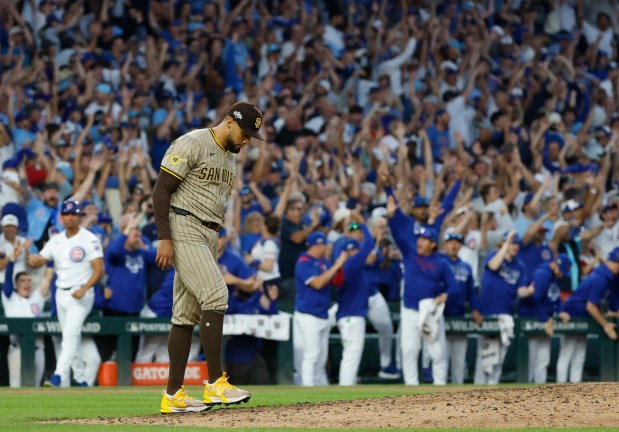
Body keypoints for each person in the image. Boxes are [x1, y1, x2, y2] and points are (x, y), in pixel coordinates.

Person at [152, 101, 264, 413]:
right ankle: (216, 383)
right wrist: (164, 237)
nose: (246, 141)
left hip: (209, 233)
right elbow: (161, 190)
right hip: (184, 224)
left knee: (184, 316)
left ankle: (173, 395)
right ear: (230, 121)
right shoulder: (193, 142)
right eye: (244, 133)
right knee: (216, 296)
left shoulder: (230, 158)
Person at [27, 199, 104, 387]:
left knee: (69, 335)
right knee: (71, 336)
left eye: (73, 214)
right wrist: (32, 260)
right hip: (60, 293)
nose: (70, 217)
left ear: (79, 216)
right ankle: (80, 378)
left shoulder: (89, 238)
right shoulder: (56, 240)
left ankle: (58, 375)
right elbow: (40, 260)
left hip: (81, 294)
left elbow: (99, 269)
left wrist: (84, 289)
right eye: (67, 214)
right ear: (61, 217)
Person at [386, 195, 457, 386]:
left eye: (425, 239)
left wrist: (445, 295)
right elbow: (398, 236)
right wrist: (392, 217)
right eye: (420, 239)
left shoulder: (441, 262)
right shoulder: (410, 253)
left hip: (432, 310)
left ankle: (440, 387)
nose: (420, 242)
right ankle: (411, 389)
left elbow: (454, 286)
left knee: (438, 353)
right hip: (410, 309)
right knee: (409, 351)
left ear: (433, 243)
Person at [474, 231, 531, 385]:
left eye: (516, 243)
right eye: (512, 243)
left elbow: (520, 290)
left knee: (499, 358)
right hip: (488, 313)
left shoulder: (520, 266)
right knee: (485, 356)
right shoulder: (494, 255)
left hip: (506, 315)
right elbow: (493, 266)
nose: (515, 246)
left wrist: (527, 292)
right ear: (504, 243)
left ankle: (492, 391)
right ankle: (476, 392)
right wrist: (505, 245)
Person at [555, 247, 619, 383]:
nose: (617, 265)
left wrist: (608, 314)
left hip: (583, 314)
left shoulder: (608, 277)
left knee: (580, 354)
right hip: (572, 314)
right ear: (608, 262)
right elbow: (591, 306)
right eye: (615, 262)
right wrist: (606, 325)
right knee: (568, 352)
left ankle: (576, 388)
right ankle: (560, 389)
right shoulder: (601, 277)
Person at [293, 232, 348, 386]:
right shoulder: (304, 261)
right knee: (312, 355)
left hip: (322, 313)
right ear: (316, 245)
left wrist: (338, 267)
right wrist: (337, 264)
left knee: (321, 357)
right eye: (323, 244)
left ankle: (321, 389)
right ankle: (308, 388)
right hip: (308, 315)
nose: (326, 247)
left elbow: (336, 281)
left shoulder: (323, 261)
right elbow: (317, 283)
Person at [519, 254, 571, 384]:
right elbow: (534, 300)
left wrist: (560, 311)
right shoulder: (542, 274)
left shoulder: (555, 276)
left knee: (543, 359)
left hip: (544, 319)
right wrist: (544, 319)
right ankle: (525, 392)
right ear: (554, 264)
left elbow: (556, 296)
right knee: (530, 359)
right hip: (531, 318)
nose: (561, 274)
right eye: (560, 270)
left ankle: (540, 393)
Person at [1, 245, 48, 387]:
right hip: (17, 349)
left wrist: (49, 255)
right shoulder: (11, 298)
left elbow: (48, 278)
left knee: (36, 387)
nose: (26, 284)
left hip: (38, 349)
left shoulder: (36, 298)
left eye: (28, 280)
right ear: (16, 285)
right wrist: (12, 260)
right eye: (22, 281)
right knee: (16, 386)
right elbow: (8, 280)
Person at [333, 227, 374, 386]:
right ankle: (345, 388)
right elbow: (369, 244)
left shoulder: (351, 267)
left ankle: (348, 384)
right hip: (352, 316)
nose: (357, 252)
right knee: (351, 355)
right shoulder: (351, 264)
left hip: (348, 315)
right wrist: (363, 224)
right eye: (353, 251)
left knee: (350, 354)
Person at [440, 232, 477, 384]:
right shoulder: (439, 263)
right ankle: (436, 396)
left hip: (459, 316)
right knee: (441, 360)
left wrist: (475, 309)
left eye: (457, 243)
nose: (454, 245)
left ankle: (458, 398)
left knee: (459, 363)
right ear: (445, 245)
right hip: (441, 317)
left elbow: (472, 293)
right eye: (450, 242)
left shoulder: (466, 267)